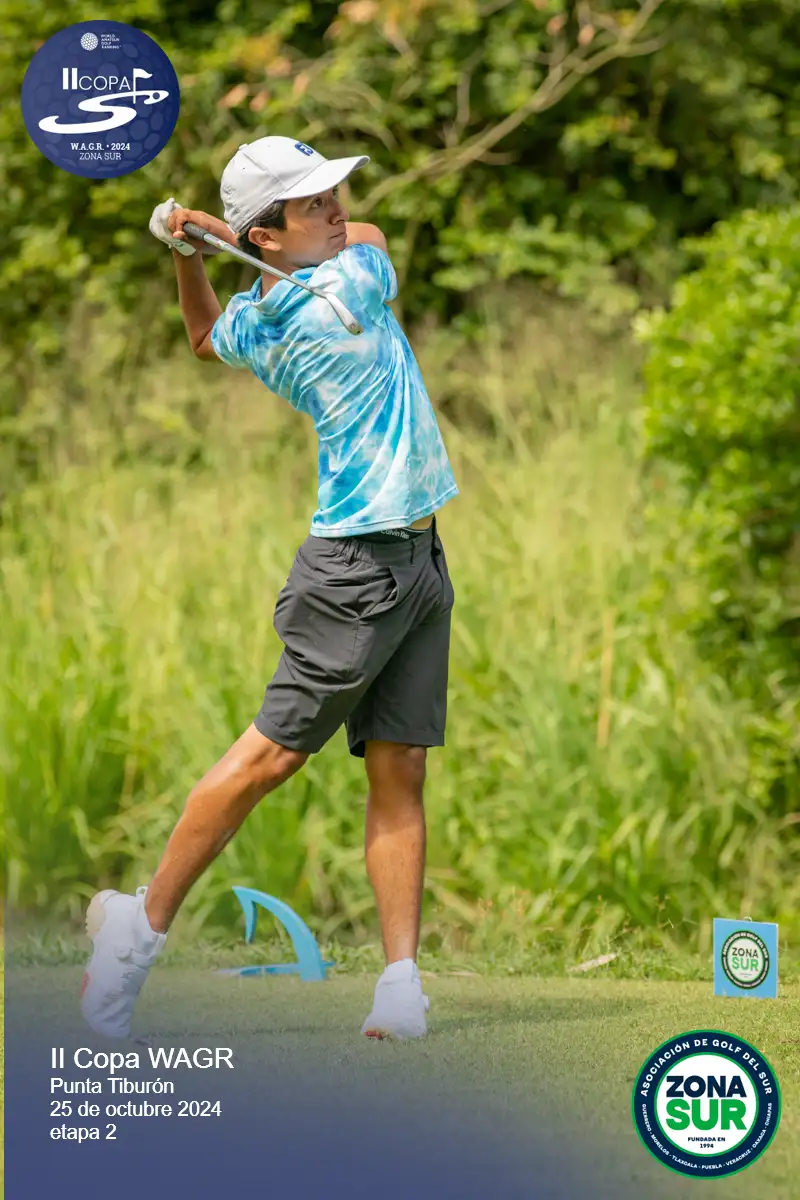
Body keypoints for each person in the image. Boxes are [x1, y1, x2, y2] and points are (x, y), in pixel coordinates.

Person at [81, 135, 458, 1042]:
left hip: (416, 560)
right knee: (268, 760)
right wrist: (219, 241)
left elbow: (205, 337)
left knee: (400, 765)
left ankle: (400, 988)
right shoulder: (348, 288)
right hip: (357, 573)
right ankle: (138, 929)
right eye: (312, 203)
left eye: (332, 195)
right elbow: (369, 238)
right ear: (268, 234)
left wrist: (190, 255)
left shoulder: (266, 314)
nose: (337, 210)